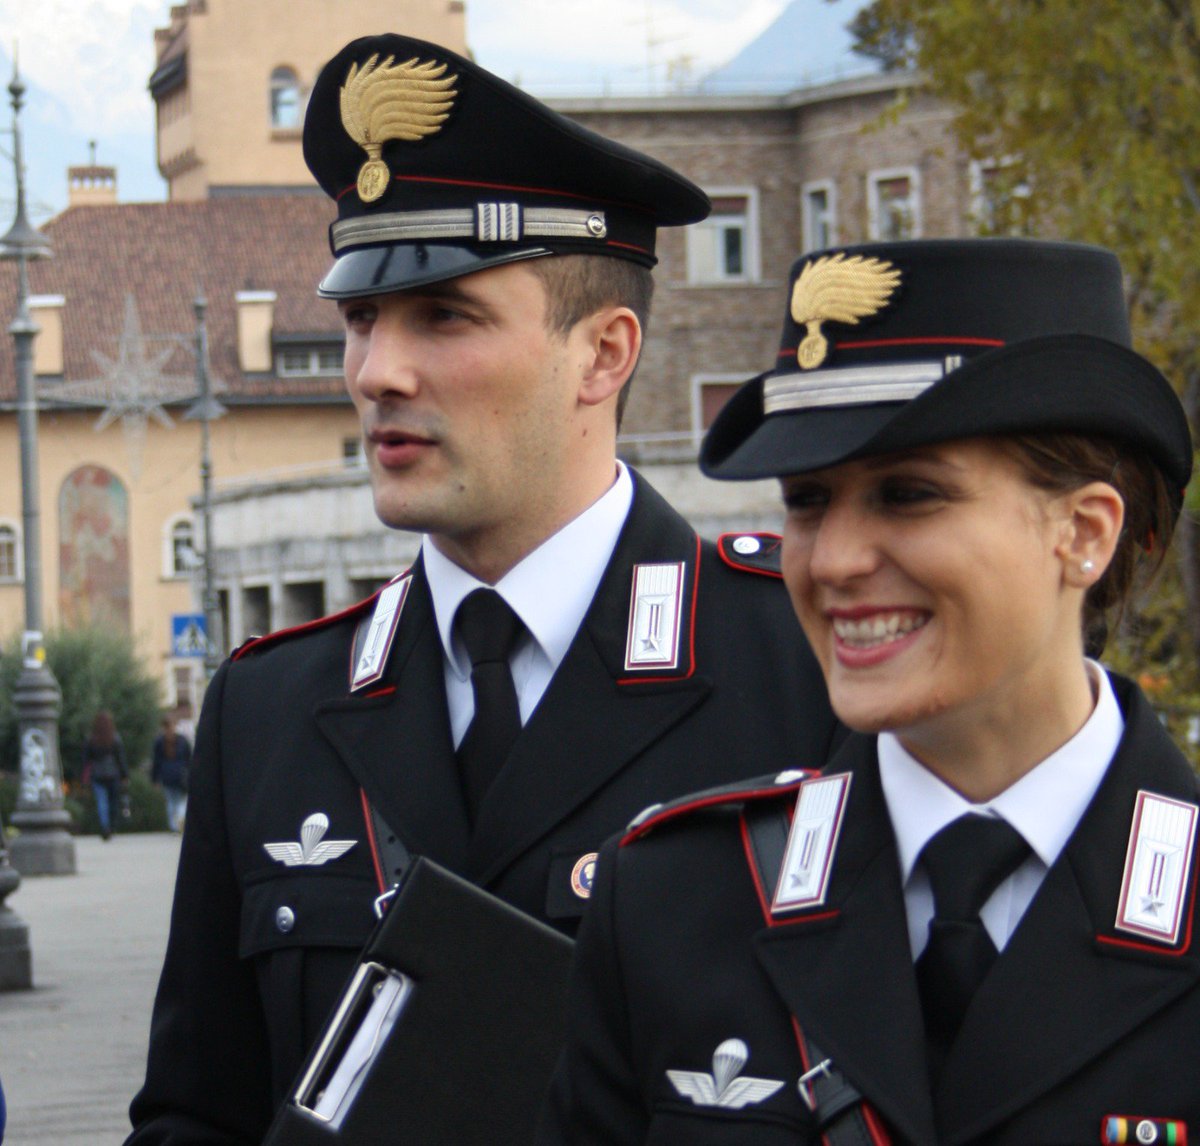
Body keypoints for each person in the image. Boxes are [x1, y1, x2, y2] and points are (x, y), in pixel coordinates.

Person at [126, 33, 840, 1145]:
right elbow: (196, 1114)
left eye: (443, 318)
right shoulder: (269, 709)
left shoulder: (804, 673)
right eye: (363, 319)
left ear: (603, 355)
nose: (374, 373)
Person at [538, 238, 1200, 1145]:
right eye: (809, 500)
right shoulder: (674, 903)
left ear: (1083, 533)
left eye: (909, 495)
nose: (836, 561)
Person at [81, 710, 128, 842]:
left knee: (102, 802)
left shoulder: (91, 739)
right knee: (113, 801)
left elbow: (86, 760)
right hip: (113, 774)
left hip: (97, 774)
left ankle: (105, 826)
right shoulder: (115, 738)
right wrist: (125, 775)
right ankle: (112, 827)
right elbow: (121, 759)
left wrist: (84, 777)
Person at [150, 713, 191, 832]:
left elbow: (156, 762)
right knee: (181, 800)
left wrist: (155, 779)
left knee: (170, 801)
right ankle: (180, 820)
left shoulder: (159, 741)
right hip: (180, 775)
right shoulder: (183, 741)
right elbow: (189, 759)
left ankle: (173, 825)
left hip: (166, 775)